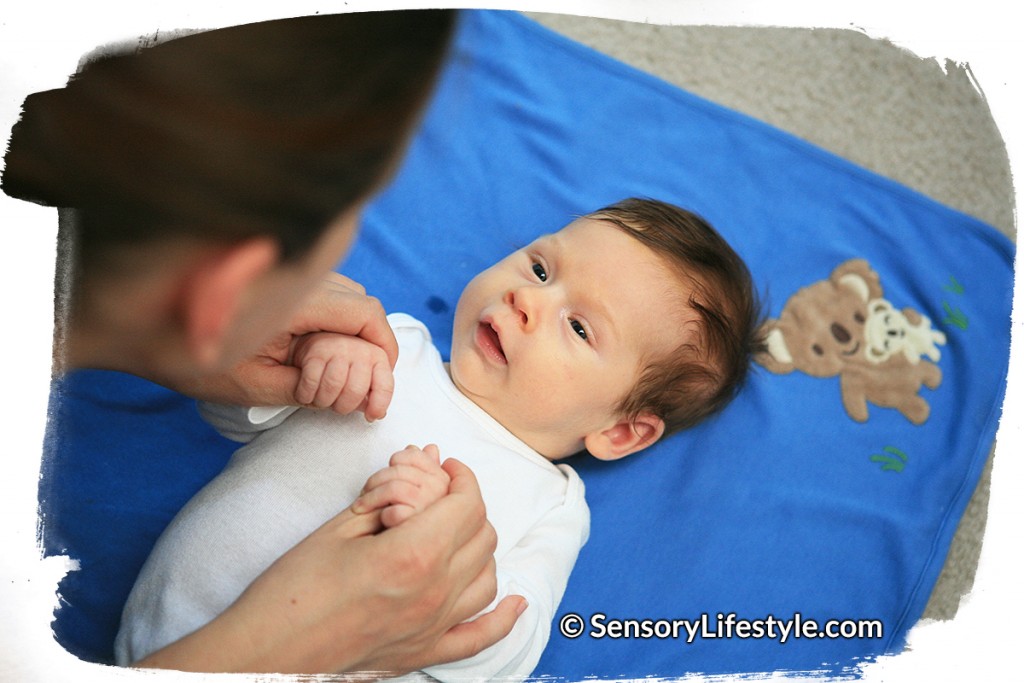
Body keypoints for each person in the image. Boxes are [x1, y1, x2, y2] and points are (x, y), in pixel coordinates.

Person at [2, 11, 527, 675]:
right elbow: (256, 418)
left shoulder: (552, 500)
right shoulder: (408, 349)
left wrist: (158, 338)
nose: (528, 306)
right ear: (224, 292)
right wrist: (285, 646)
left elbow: (509, 623)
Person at [114, 198, 763, 679]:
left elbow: (510, 646)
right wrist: (313, 372)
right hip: (166, 632)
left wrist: (457, 561)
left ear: (620, 429)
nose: (526, 300)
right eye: (540, 268)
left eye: (581, 328)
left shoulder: (553, 503)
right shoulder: (393, 346)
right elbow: (233, 414)